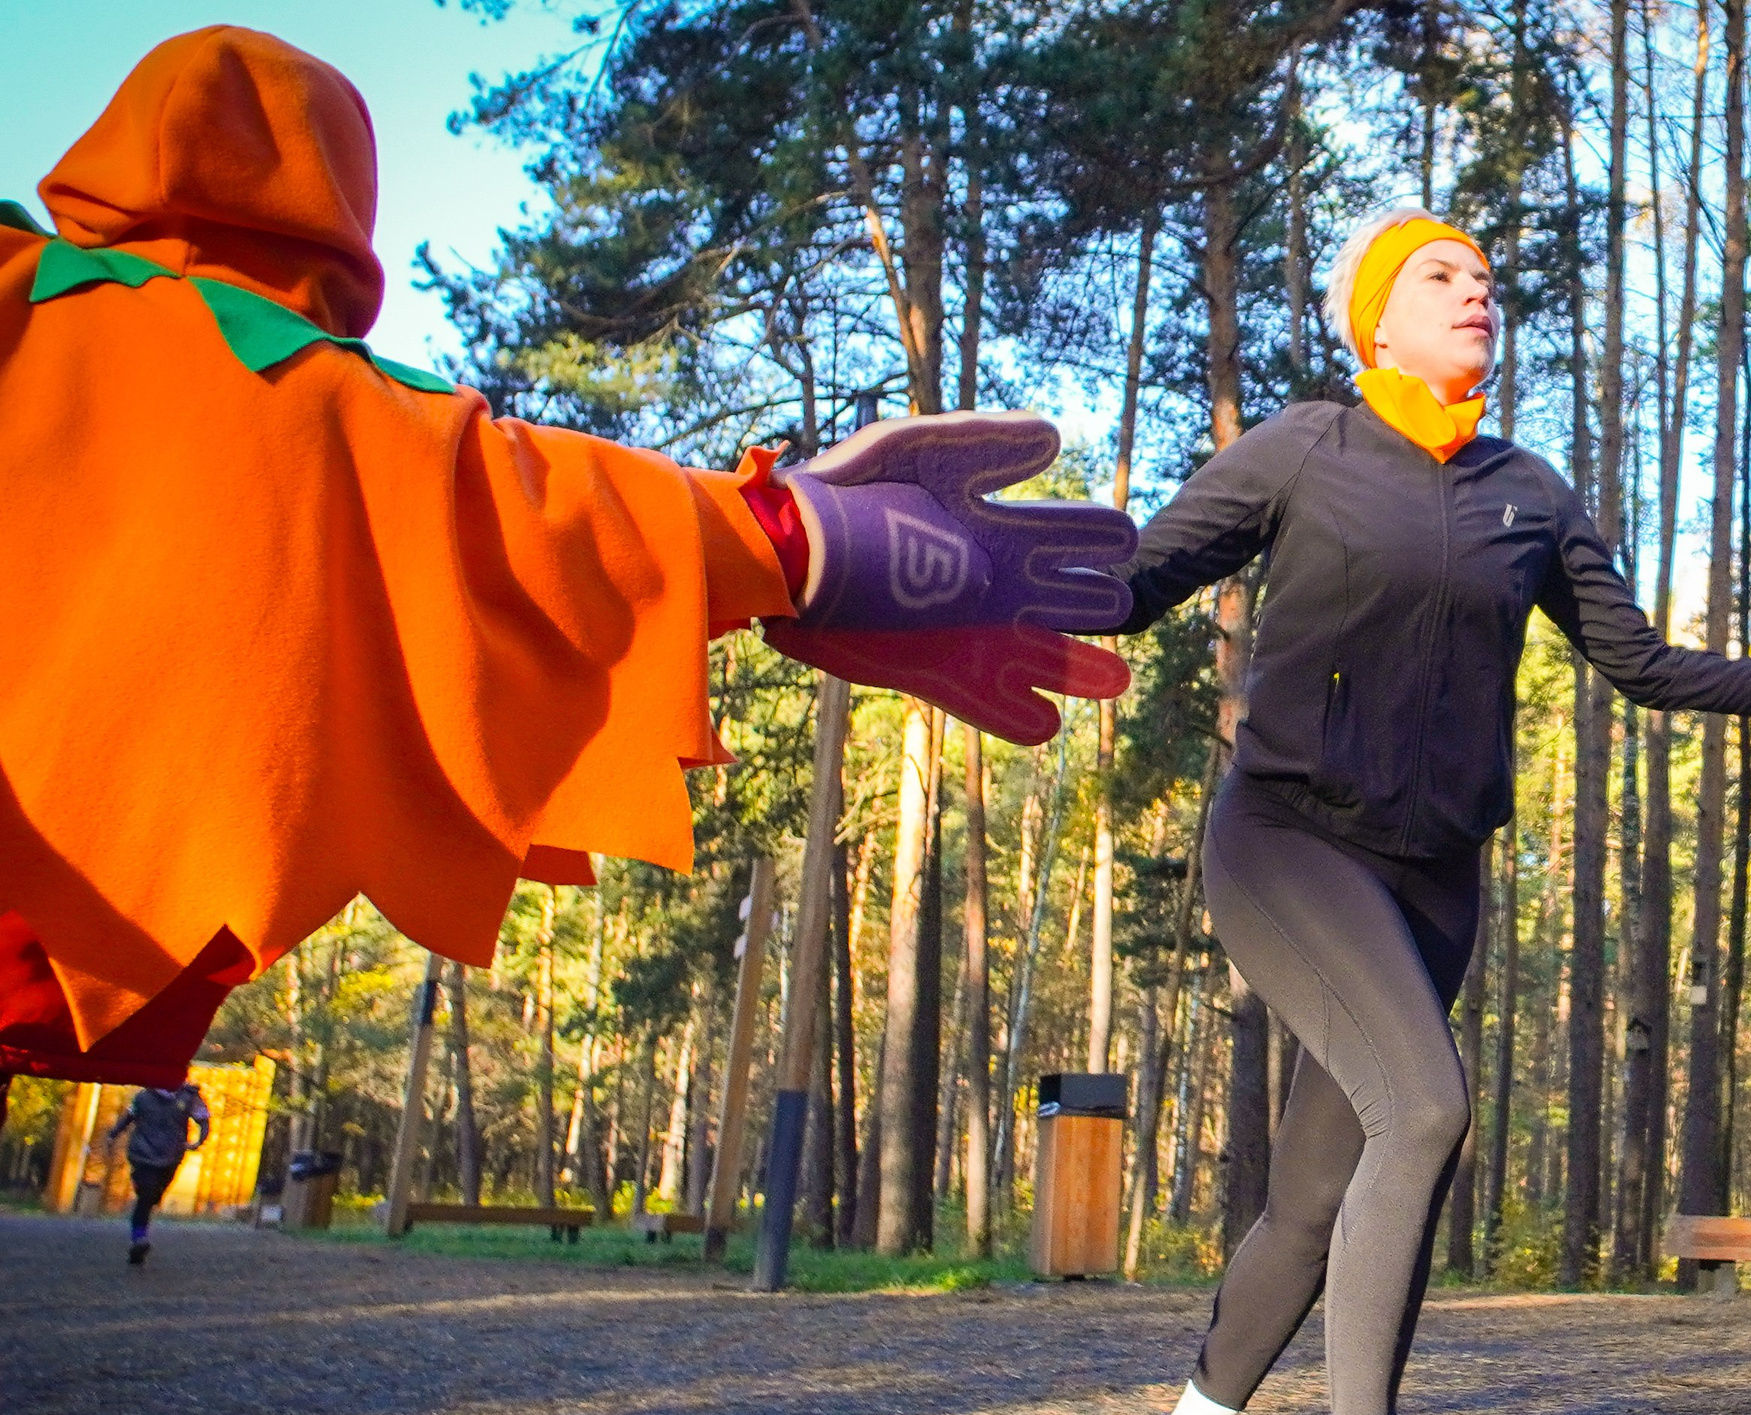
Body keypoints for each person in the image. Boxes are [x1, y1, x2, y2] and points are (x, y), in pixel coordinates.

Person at [0, 28, 1131, 1099]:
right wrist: (808, 544)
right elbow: (537, 517)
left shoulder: (68, 324)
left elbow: (513, 504)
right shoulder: (352, 428)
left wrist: (812, 543)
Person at [1106, 207, 1751, 1415]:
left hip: (1432, 879)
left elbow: (1649, 666)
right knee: (1425, 1104)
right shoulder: (1301, 448)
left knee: (1318, 1196)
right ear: (1374, 320)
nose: (1475, 290)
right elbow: (1120, 587)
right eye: (1440, 274)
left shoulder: (1528, 493)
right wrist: (934, 574)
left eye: (1486, 277)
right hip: (1290, 839)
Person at [107, 1081, 213, 1266]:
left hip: (170, 1156)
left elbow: (204, 1120)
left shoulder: (188, 1097)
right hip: (143, 1154)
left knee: (154, 1195)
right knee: (146, 1196)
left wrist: (199, 1141)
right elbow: (129, 1117)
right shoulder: (143, 1096)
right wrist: (112, 1135)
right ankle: (139, 1239)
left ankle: (141, 1230)